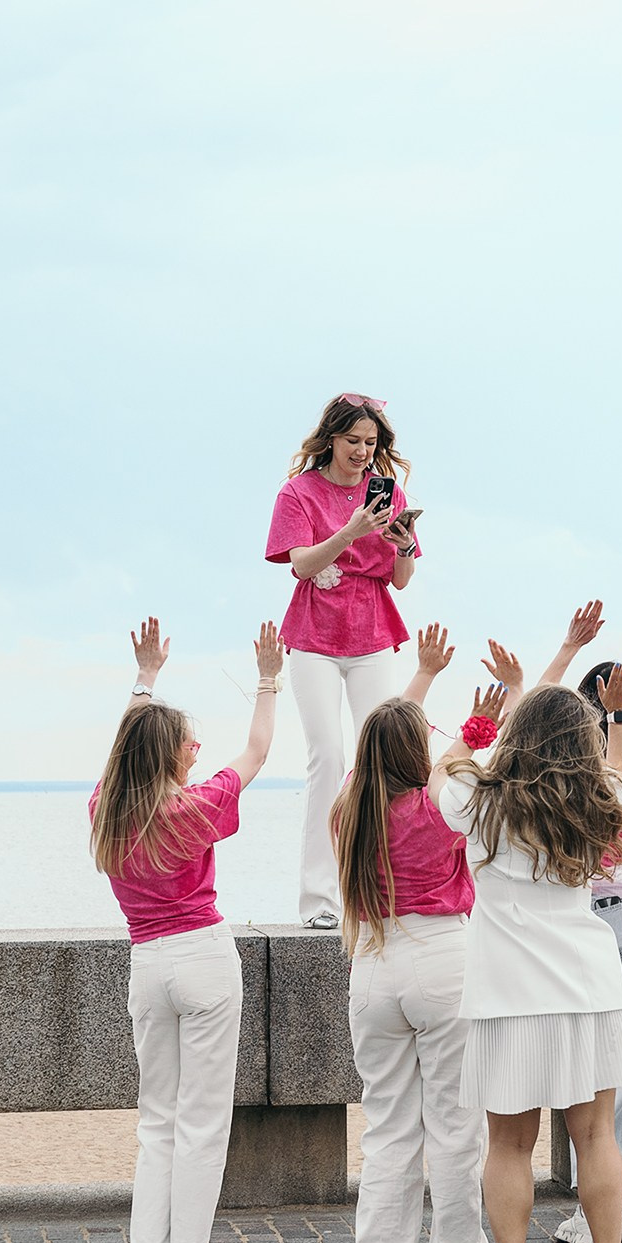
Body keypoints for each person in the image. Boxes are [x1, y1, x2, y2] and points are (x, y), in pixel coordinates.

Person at [446, 674, 622, 1243]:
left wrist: (479, 725)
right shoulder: (601, 800)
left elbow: (446, 766)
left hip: (507, 995)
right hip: (586, 989)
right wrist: (616, 711)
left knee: (508, 1143)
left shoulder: (478, 802)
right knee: (596, 1137)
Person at [93, 615, 283, 1243]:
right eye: (186, 745)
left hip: (146, 964)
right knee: (203, 1117)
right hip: (202, 957)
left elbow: (123, 754)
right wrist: (268, 677)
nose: (196, 751)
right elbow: (257, 751)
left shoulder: (106, 810)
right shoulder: (195, 807)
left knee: (158, 1117)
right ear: (171, 756)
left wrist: (145, 679)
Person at [334, 624, 505, 1243]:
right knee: (457, 1128)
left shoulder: (352, 809)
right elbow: (450, 774)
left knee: (388, 1127)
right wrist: (479, 724)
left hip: (374, 963)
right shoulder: (439, 807)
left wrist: (424, 679)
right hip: (443, 961)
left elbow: (390, 753)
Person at [535, 601, 622, 1243]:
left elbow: (524, 725)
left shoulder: (566, 774)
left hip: (597, 928)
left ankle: (602, 1215)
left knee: (594, 1071)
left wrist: (565, 652)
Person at [266, 393, 421, 929]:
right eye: (353, 441)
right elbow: (301, 565)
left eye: (370, 443)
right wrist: (352, 530)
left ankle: (382, 889)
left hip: (373, 631)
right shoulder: (298, 493)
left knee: (382, 757)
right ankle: (319, 900)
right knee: (328, 755)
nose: (361, 452)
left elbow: (401, 579)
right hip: (314, 635)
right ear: (330, 439)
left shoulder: (390, 494)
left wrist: (400, 544)